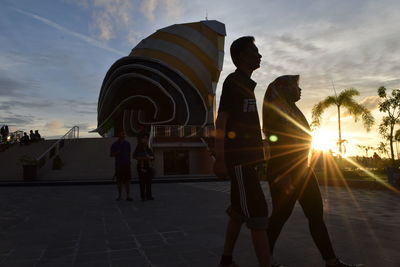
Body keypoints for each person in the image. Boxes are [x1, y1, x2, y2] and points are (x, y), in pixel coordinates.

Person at [262, 75, 362, 267]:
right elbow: (278, 143)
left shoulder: (294, 111)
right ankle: (265, 259)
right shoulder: (278, 114)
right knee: (279, 217)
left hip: (303, 171)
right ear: (284, 89)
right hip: (284, 171)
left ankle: (331, 261)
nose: (300, 90)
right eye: (296, 86)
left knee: (315, 215)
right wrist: (284, 175)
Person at [214, 36, 271, 267]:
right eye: (254, 51)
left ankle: (226, 260)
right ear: (241, 57)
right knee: (258, 214)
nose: (259, 55)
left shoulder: (247, 84)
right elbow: (222, 120)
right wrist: (220, 158)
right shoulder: (233, 81)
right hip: (240, 161)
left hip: (249, 160)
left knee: (238, 212)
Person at [110, 131, 133, 201]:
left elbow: (129, 154)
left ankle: (128, 196)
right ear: (118, 135)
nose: (123, 135)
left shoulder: (127, 144)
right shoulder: (114, 144)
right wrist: (117, 153)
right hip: (119, 165)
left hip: (126, 165)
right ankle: (119, 196)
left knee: (127, 181)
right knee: (119, 181)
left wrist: (129, 162)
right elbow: (111, 155)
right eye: (122, 134)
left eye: (124, 134)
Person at [133, 134, 154, 201]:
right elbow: (134, 156)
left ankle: (149, 196)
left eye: (146, 138)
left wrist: (149, 157)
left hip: (148, 166)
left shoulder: (148, 148)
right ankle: (143, 196)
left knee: (148, 182)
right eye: (144, 138)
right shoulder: (138, 147)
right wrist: (142, 158)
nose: (145, 140)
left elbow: (153, 157)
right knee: (142, 182)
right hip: (141, 166)